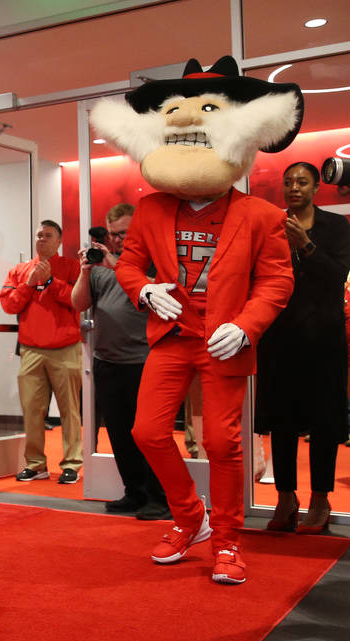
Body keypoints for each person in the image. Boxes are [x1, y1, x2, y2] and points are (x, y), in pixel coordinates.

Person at [92, 55, 299, 585]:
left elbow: (277, 280)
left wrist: (248, 325)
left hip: (226, 340)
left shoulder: (262, 215)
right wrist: (145, 290)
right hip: (173, 335)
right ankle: (191, 518)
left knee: (223, 444)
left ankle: (228, 542)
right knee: (147, 431)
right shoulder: (154, 207)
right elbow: (132, 264)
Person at [255, 162, 350, 533]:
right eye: (288, 182)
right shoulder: (270, 225)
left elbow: (336, 276)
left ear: (315, 188)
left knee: (324, 424)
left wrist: (305, 245)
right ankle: (285, 498)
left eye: (302, 182)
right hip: (280, 340)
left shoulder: (336, 226)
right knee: (281, 422)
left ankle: (320, 500)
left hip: (323, 340)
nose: (294, 188)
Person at [71, 203, 169, 519]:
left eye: (125, 232)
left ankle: (161, 497)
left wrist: (116, 266)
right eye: (114, 234)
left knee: (149, 435)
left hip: (145, 361)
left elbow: (159, 299)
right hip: (107, 361)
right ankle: (135, 493)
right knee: (119, 433)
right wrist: (86, 271)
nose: (119, 240)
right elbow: (79, 302)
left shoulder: (155, 262)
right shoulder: (100, 267)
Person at [0, 220, 83, 484]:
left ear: (59, 241)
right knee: (32, 410)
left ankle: (71, 464)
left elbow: (77, 300)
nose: (42, 239)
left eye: (48, 236)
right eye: (39, 235)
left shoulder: (72, 267)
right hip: (31, 351)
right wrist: (30, 283)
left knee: (70, 410)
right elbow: (9, 306)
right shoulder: (19, 270)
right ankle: (36, 465)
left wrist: (50, 281)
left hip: (66, 349)